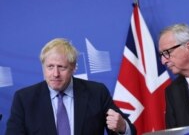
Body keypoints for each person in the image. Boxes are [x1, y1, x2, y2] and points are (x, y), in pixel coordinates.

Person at [5, 38, 136, 135]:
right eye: (50, 67)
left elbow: (127, 130)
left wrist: (122, 127)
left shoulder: (97, 92)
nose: (55, 74)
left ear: (73, 68)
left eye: (61, 67)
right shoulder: (24, 99)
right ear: (43, 67)